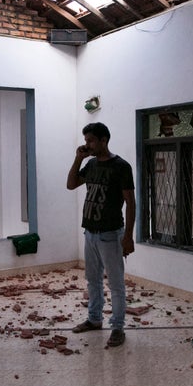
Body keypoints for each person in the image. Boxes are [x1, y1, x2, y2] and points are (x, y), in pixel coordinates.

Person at [66, 122, 135, 347]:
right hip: (90, 233)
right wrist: (79, 158)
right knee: (92, 280)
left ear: (104, 140)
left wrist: (128, 237)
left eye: (91, 141)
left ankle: (117, 327)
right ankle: (94, 319)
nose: (87, 144)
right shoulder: (92, 164)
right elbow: (71, 184)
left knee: (115, 283)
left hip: (111, 234)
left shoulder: (121, 166)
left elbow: (131, 203)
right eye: (86, 141)